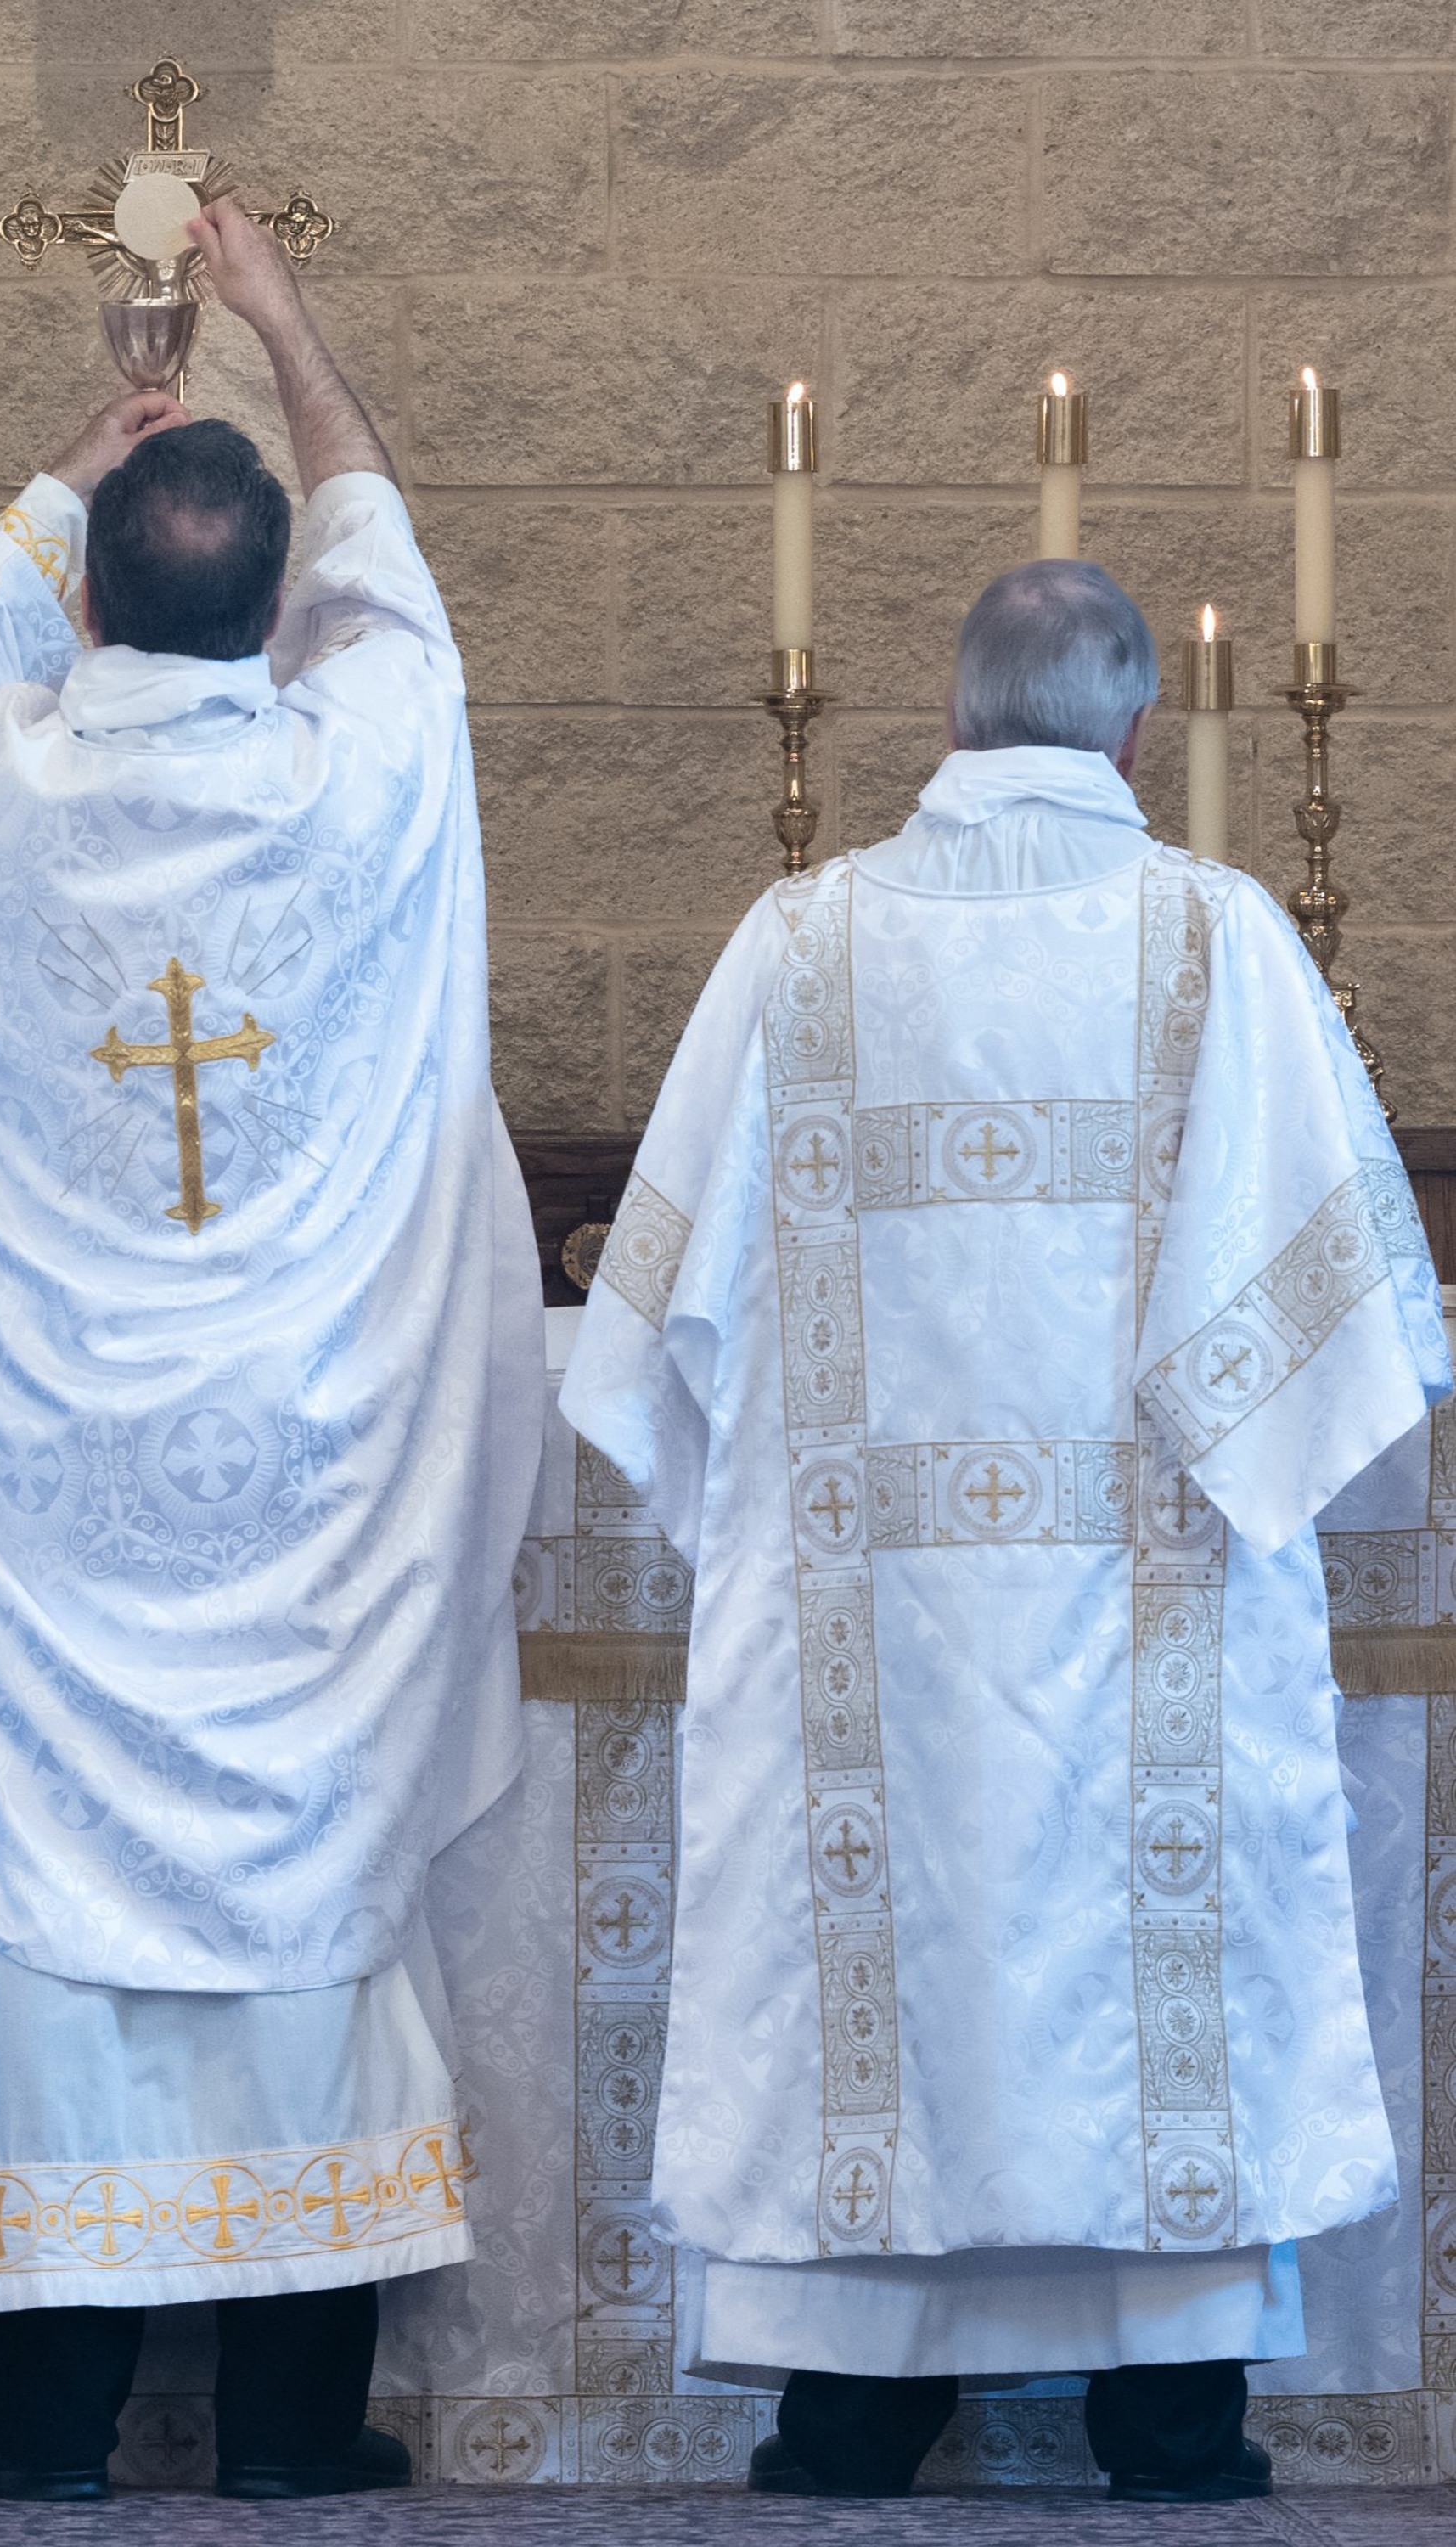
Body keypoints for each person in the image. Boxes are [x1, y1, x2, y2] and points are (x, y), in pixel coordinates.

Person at [560, 559, 1450, 2504]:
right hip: (1155, 1609)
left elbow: (655, 1335)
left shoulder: (800, 944)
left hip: (862, 1634)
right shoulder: (1221, 938)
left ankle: (852, 2411)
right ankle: (1169, 2416)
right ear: (1136, 735)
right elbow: (1334, 1323)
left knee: (877, 1967)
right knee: (1154, 1957)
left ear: (952, 721)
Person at [0, 197, 543, 2499]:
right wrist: (283, 326)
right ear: (271, 610)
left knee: (50, 1902)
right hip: (304, 1473)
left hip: (52, 1486)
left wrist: (89, 442)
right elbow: (388, 565)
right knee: (294, 1894)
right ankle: (290, 2422)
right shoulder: (368, 764)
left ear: (92, 595)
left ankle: (44, 2424)